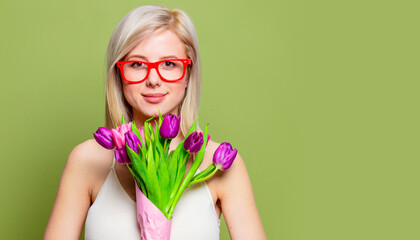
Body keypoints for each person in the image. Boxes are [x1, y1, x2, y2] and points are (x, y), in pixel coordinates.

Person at [44, 5, 266, 240]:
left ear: (188, 72)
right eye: (137, 64)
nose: (153, 80)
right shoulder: (86, 161)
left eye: (169, 64)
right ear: (119, 74)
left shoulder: (220, 163)